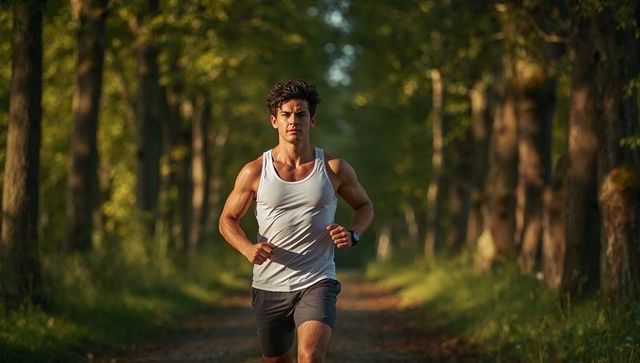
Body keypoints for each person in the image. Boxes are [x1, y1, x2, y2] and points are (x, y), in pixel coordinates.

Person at [218, 79, 374, 363]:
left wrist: (354, 234)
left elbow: (364, 206)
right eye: (286, 114)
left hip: (318, 279)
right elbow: (227, 219)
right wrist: (246, 248)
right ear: (274, 121)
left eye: (301, 114)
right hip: (269, 285)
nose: (293, 121)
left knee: (311, 355)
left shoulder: (333, 167)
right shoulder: (254, 171)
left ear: (312, 120)